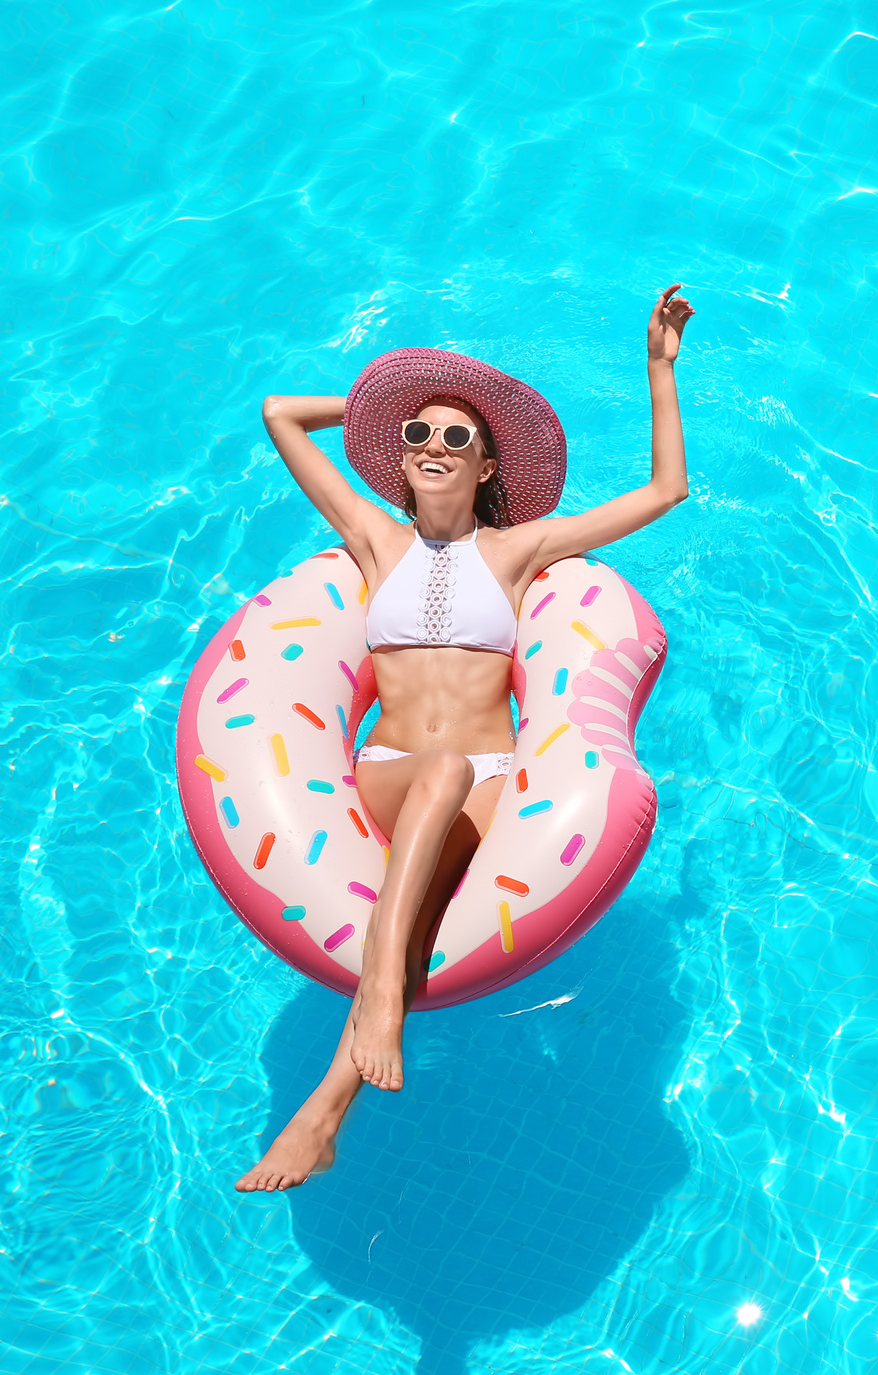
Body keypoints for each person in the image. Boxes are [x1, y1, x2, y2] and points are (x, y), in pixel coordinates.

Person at [235, 286, 695, 1192]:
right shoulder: (373, 539)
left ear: (488, 467)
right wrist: (385, 405)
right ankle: (372, 1019)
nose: (434, 448)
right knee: (433, 773)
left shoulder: (521, 550)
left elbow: (666, 491)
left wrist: (658, 369)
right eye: (418, 437)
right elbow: (280, 414)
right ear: (398, 463)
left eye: (457, 438)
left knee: (447, 789)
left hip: (483, 779)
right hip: (387, 773)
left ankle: (331, 1102)